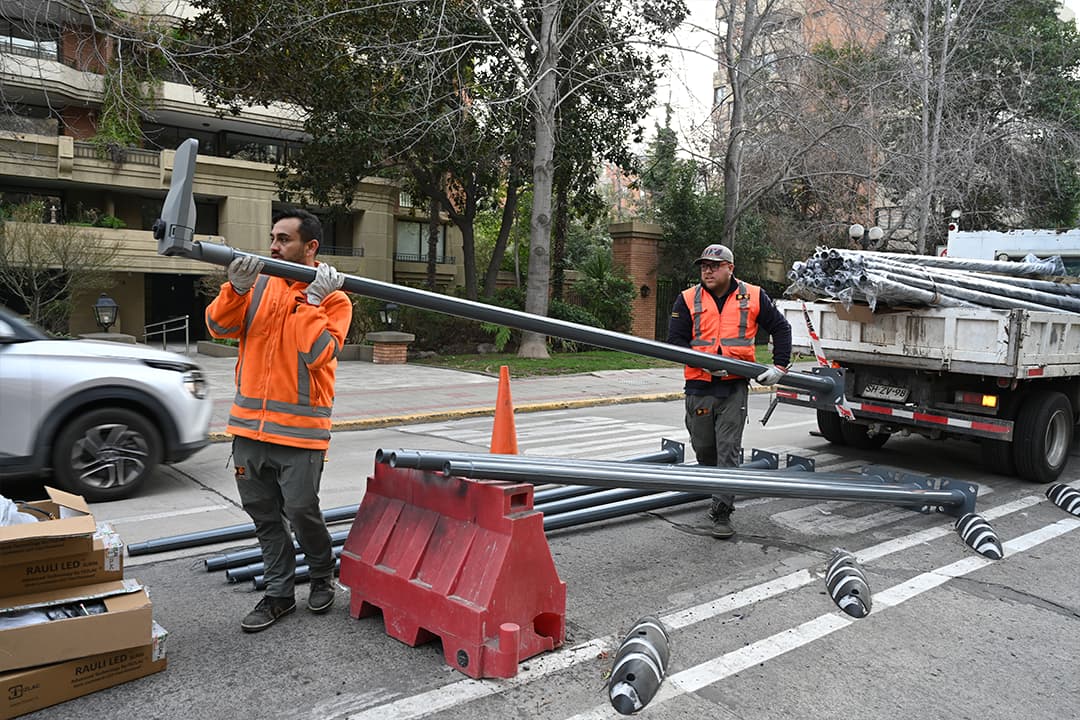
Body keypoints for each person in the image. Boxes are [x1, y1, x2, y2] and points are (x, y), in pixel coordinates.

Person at [206, 208, 352, 633]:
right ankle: (279, 595)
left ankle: (322, 573)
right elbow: (217, 326)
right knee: (265, 517)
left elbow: (318, 354)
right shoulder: (257, 287)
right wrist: (235, 288)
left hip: (302, 434)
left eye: (284, 239)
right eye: (272, 237)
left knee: (303, 512)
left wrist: (310, 302)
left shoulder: (334, 298)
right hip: (248, 430)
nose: (273, 246)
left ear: (310, 248)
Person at [667, 243, 792, 539]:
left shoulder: (754, 295)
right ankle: (716, 487)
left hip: (734, 387)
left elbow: (781, 328)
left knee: (728, 451)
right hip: (699, 385)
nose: (707, 271)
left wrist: (780, 367)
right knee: (704, 448)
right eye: (704, 266)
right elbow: (675, 342)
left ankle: (722, 511)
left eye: (714, 265)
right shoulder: (687, 299)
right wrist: (703, 363)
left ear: (730, 268)